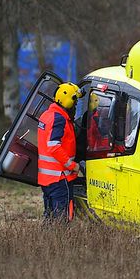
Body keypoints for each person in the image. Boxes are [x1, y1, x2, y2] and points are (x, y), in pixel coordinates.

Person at [38, 82, 81, 221]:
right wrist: (72, 166)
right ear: (68, 102)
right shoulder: (59, 119)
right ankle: (60, 236)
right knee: (63, 218)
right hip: (60, 177)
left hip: (47, 179)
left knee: (50, 216)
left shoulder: (46, 115)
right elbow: (54, 146)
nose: (75, 106)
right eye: (75, 103)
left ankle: (48, 236)